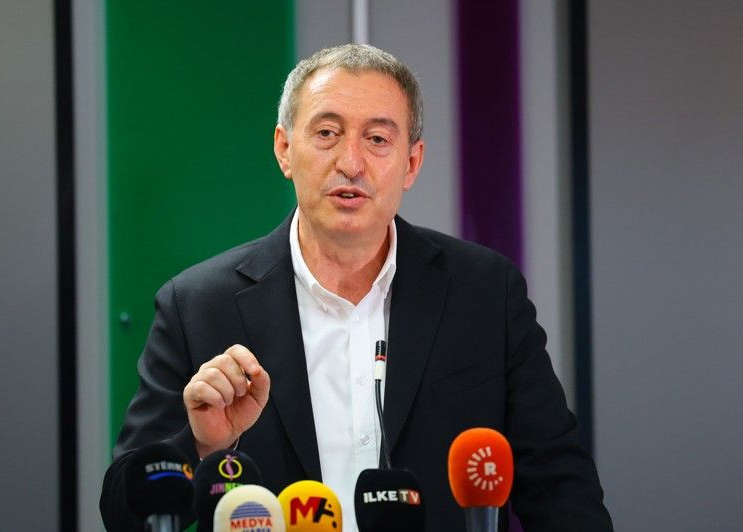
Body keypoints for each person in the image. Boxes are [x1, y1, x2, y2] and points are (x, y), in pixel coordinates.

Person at [101, 44, 613, 531]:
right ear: (284, 149)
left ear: (411, 163)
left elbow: (561, 488)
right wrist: (201, 447)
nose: (351, 162)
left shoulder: (484, 293)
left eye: (378, 139)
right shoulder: (197, 305)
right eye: (327, 133)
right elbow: (121, 512)